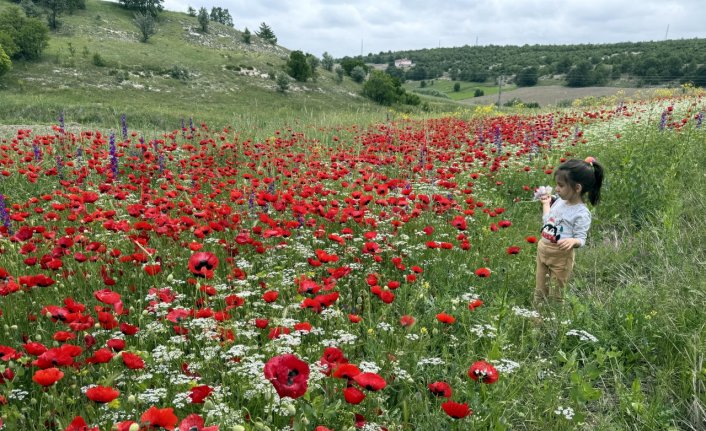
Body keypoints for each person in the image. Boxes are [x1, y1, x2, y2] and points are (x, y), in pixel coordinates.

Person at [534, 157, 604, 307]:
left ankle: (553, 322)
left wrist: (573, 241)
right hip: (543, 250)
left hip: (560, 256)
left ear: (577, 188)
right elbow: (548, 221)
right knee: (540, 290)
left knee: (556, 294)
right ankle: (536, 322)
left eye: (560, 185)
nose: (556, 189)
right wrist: (546, 204)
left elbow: (581, 238)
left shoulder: (581, 213)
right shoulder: (559, 201)